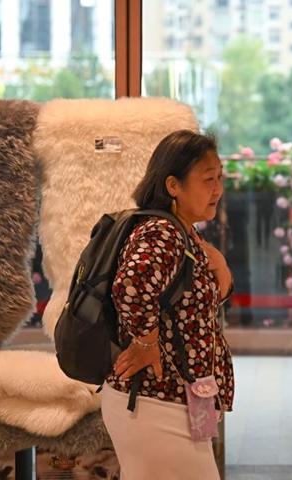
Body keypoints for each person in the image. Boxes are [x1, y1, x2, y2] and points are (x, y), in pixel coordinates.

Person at [100, 129, 234, 480]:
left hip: (178, 401)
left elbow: (195, 306)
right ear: (173, 185)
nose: (217, 189)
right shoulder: (162, 232)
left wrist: (217, 262)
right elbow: (131, 285)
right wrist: (145, 342)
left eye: (219, 177)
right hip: (155, 402)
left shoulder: (182, 231)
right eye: (208, 179)